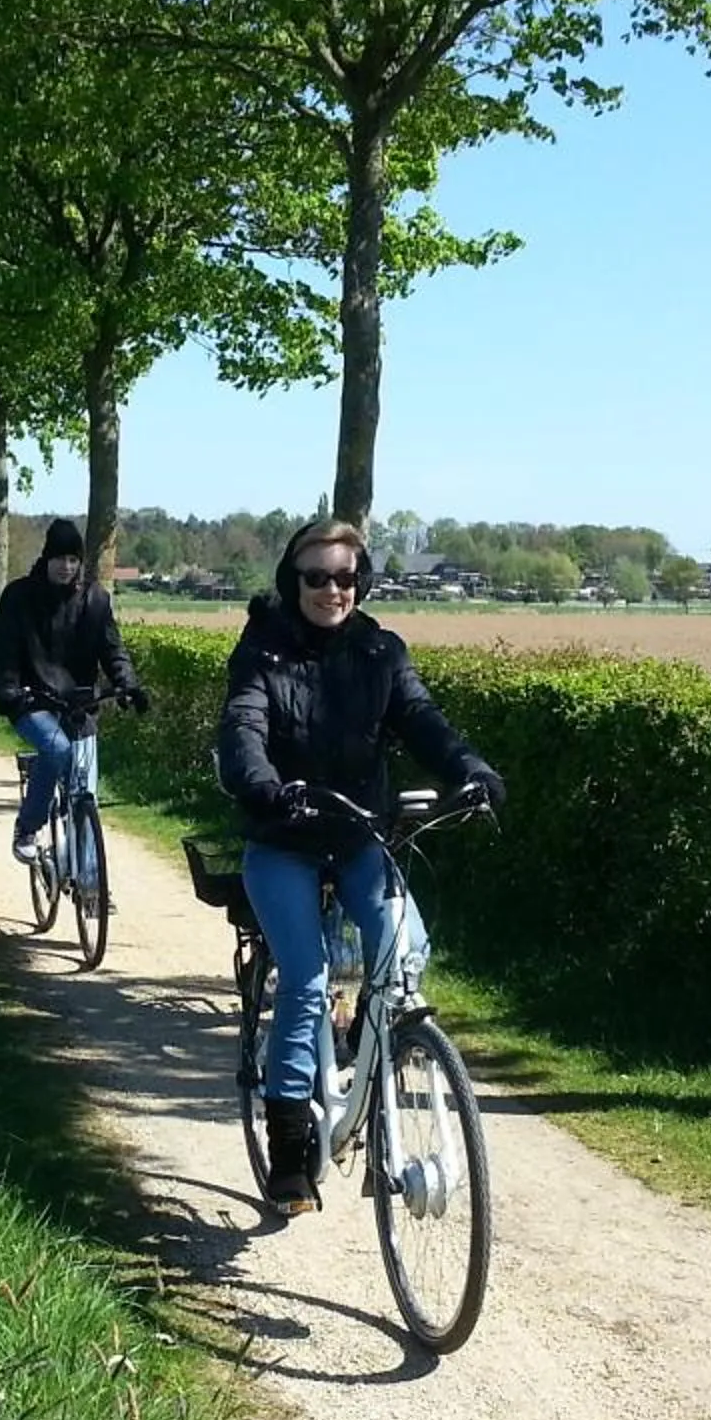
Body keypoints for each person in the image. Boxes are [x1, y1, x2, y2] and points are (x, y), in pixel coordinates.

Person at [216, 518, 504, 1215]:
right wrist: (261, 784)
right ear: (294, 581)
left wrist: (469, 768)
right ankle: (289, 1148)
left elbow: (423, 720)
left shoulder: (382, 650)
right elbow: (243, 729)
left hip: (357, 837)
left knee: (405, 954)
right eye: (317, 577)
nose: (332, 589)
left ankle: (369, 1077)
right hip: (283, 837)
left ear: (361, 582)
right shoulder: (262, 651)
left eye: (346, 577)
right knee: (308, 978)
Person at [0, 517, 148, 866]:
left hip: (80, 704)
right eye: (60, 559)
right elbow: (3, 651)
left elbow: (113, 650)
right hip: (32, 702)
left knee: (84, 794)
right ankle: (28, 828)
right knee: (57, 748)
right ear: (47, 558)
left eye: (74, 560)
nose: (67, 567)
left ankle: (91, 888)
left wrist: (127, 683)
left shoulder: (95, 600)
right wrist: (8, 689)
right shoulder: (19, 597)